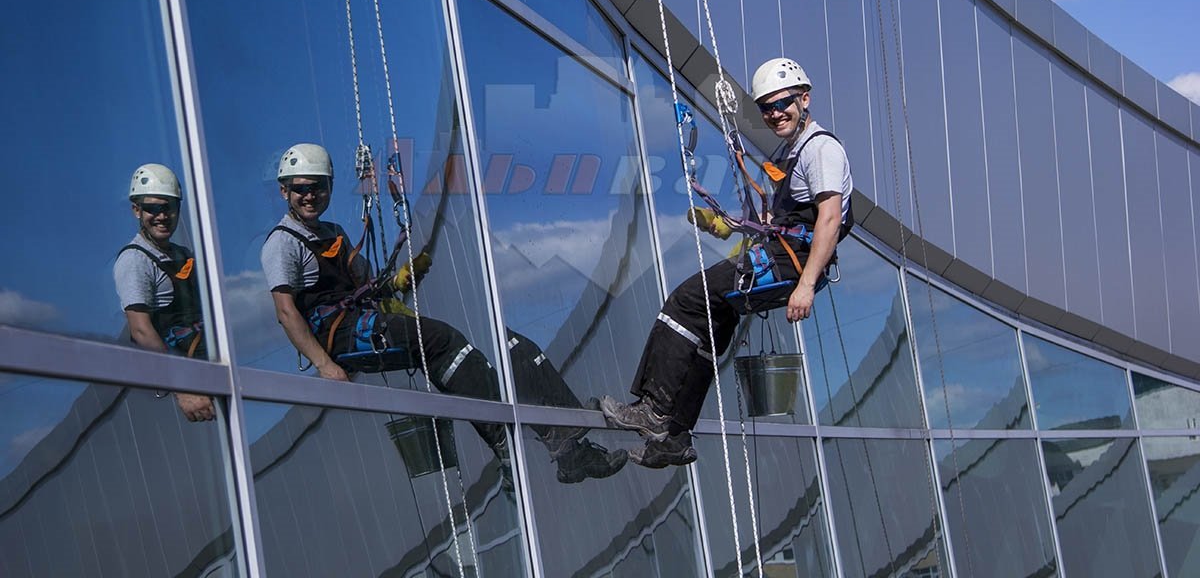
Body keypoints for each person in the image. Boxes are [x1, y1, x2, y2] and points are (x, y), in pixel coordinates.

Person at [261, 143, 626, 485]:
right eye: (300, 189)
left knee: (504, 340)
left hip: (363, 322)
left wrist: (400, 279)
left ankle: (571, 447)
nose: (309, 195)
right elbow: (286, 311)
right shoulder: (283, 243)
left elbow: (371, 284)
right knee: (442, 342)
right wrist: (325, 365)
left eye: (318, 187)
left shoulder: (333, 233)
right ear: (283, 192)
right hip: (340, 336)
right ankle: (508, 446)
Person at [602, 58, 853, 467]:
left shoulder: (821, 149)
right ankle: (675, 437)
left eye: (782, 103)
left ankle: (653, 411)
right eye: (766, 108)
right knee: (714, 321)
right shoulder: (795, 153)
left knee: (685, 301)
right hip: (786, 259)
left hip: (790, 266)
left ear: (804, 99)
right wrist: (725, 223)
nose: (774, 113)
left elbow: (828, 217)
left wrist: (805, 285)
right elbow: (783, 223)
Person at [114, 163, 215, 423]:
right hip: (184, 393)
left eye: (168, 207)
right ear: (136, 210)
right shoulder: (135, 260)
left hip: (206, 372)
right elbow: (141, 331)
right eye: (153, 208)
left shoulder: (184, 255)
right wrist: (183, 389)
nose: (162, 215)